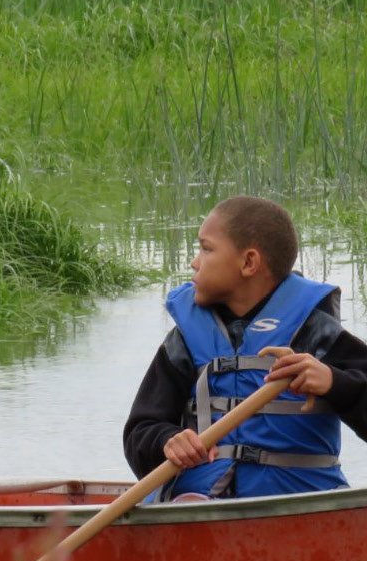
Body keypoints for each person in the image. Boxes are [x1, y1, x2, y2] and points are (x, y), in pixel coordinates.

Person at [123, 195, 367, 500]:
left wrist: (335, 383)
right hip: (202, 512)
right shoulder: (185, 339)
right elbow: (139, 430)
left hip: (301, 506)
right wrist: (167, 440)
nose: (194, 262)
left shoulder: (314, 332)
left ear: (249, 262)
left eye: (206, 249)